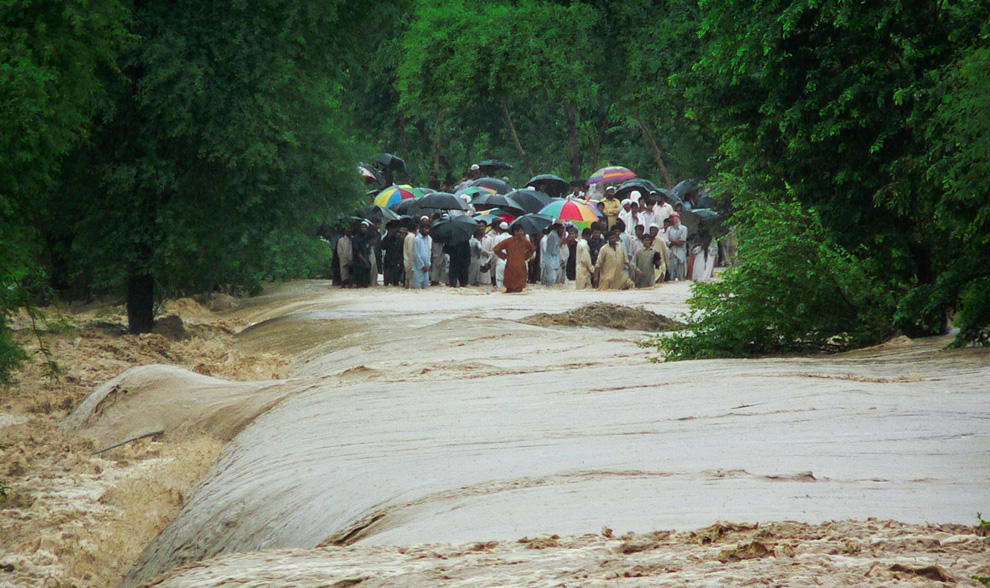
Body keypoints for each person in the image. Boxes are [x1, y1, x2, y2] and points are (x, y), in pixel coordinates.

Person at [493, 224, 536, 293]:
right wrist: (504, 256)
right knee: (509, 287)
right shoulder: (508, 241)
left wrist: (525, 257)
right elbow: (496, 249)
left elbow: (532, 249)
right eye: (521, 231)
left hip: (520, 266)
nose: (522, 233)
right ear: (515, 232)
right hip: (510, 265)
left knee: (520, 287)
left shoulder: (525, 241)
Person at [381, 221, 405, 286]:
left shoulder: (399, 239)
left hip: (397, 262)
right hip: (388, 262)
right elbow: (383, 247)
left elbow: (401, 251)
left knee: (396, 281)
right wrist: (388, 236)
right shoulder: (386, 238)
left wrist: (400, 263)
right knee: (386, 281)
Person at [666, 212, 688, 281]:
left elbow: (682, 242)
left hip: (680, 254)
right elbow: (667, 242)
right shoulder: (669, 229)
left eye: (671, 218)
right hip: (672, 254)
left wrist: (673, 241)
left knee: (681, 276)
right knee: (671, 276)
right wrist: (675, 242)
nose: (670, 220)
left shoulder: (684, 228)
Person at [412, 222, 433, 289]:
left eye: (428, 229)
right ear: (421, 229)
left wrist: (429, 265)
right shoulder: (417, 239)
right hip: (418, 268)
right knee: (417, 289)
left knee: (425, 289)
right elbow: (416, 254)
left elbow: (429, 252)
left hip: (427, 267)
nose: (427, 230)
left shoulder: (428, 239)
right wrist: (422, 266)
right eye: (425, 229)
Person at [493, 221, 511, 289]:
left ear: (500, 229)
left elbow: (494, 250)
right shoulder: (512, 238)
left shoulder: (497, 238)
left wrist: (487, 261)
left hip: (501, 261)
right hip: (510, 262)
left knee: (499, 282)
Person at [403, 219, 417, 288]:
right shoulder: (411, 237)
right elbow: (411, 251)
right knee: (411, 283)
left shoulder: (407, 236)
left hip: (406, 261)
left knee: (407, 282)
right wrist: (412, 264)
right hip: (410, 262)